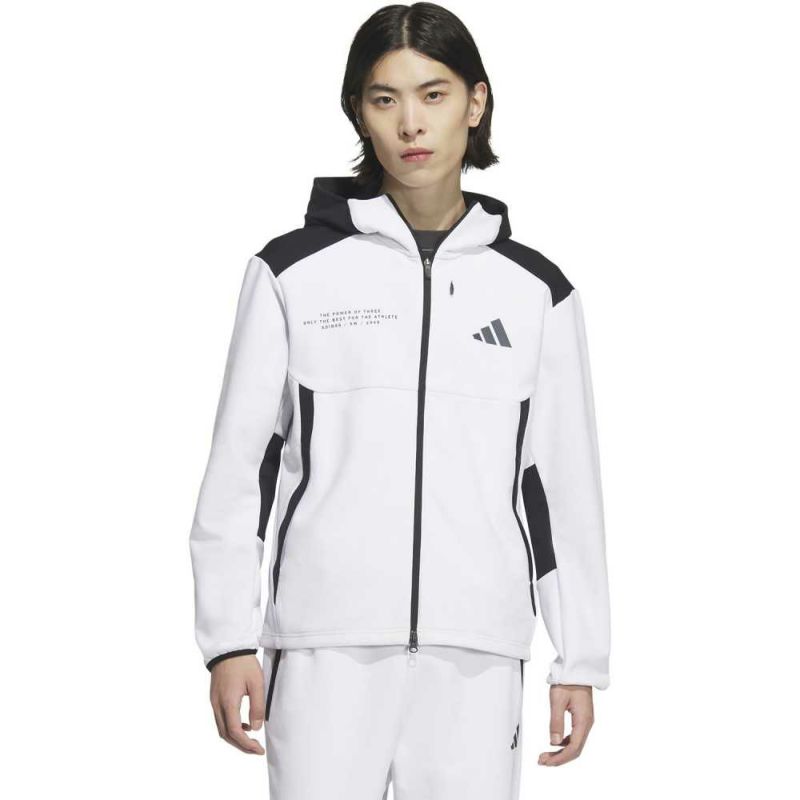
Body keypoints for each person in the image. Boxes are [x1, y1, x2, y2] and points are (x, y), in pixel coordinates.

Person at [189, 3, 611, 797]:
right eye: (385, 99)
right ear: (359, 111)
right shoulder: (290, 273)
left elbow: (561, 489)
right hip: (323, 646)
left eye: (434, 94)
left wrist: (579, 658)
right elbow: (241, 471)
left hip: (476, 653)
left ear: (475, 103)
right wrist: (227, 640)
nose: (411, 123)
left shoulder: (536, 293)